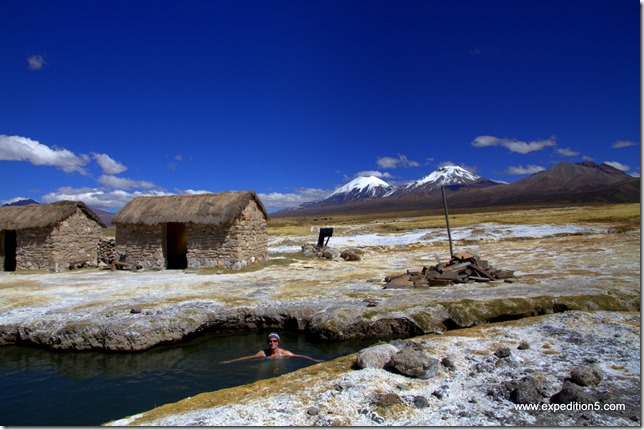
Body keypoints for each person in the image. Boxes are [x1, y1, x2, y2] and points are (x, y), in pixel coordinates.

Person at [220, 333, 324, 364]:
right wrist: (230, 361)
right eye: (270, 341)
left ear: (278, 342)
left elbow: (300, 356)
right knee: (262, 371)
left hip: (279, 361)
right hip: (266, 362)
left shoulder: (284, 353)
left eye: (274, 341)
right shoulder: (263, 353)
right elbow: (248, 357)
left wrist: (314, 360)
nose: (272, 343)